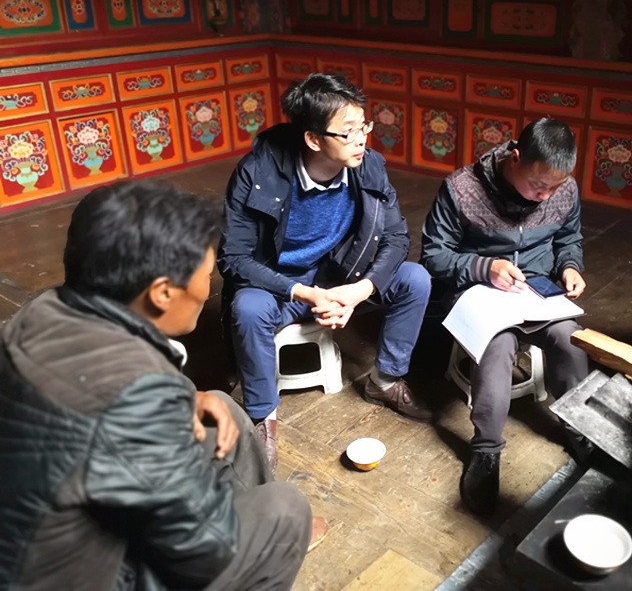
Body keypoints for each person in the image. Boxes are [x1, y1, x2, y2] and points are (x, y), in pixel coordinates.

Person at [0, 180, 315, 590]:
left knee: (221, 409)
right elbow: (202, 553)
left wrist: (184, 397)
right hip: (84, 575)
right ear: (163, 293)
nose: (208, 288)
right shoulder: (139, 396)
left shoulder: (39, 313)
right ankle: (269, 545)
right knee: (286, 511)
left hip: (38, 531)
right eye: (206, 276)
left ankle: (256, 537)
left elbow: (99, 408)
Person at [218, 73, 432, 471]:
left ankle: (385, 381)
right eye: (348, 132)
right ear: (314, 139)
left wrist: (358, 290)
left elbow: (396, 237)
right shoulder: (258, 172)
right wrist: (304, 292)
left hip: (339, 275)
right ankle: (262, 416)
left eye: (364, 126)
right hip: (280, 285)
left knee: (415, 280)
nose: (361, 139)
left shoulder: (368, 166)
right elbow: (234, 258)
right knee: (248, 308)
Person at [420, 118, 590, 515]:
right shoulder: (462, 188)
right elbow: (433, 255)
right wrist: (485, 268)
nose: (545, 196)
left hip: (536, 291)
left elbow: (569, 239)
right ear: (515, 158)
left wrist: (570, 265)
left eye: (554, 188)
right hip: (478, 290)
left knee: (571, 339)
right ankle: (486, 449)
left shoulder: (563, 188)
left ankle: (581, 427)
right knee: (497, 346)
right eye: (538, 185)